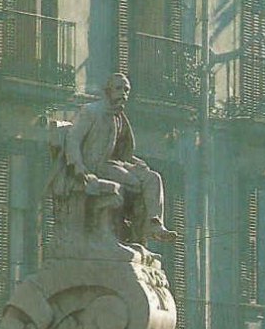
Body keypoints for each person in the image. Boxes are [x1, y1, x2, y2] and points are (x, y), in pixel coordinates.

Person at [59, 73, 177, 244]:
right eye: (118, 88)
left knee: (153, 178)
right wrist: (78, 167)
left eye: (126, 90)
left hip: (115, 164)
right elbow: (73, 138)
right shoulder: (91, 111)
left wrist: (136, 163)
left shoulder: (119, 117)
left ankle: (154, 224)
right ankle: (134, 234)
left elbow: (120, 151)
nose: (123, 93)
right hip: (96, 166)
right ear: (108, 91)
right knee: (135, 184)